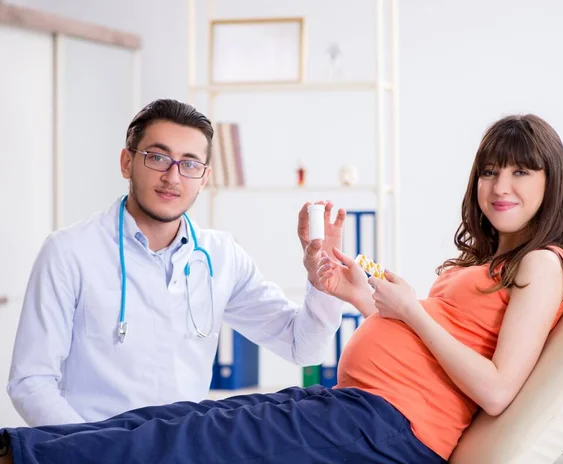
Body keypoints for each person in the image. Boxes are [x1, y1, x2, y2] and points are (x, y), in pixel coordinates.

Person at [0, 114, 563, 464]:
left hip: (388, 427)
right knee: (177, 419)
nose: (500, 186)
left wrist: (410, 309)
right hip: (356, 406)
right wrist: (353, 295)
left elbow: (494, 391)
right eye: (491, 170)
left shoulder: (542, 263)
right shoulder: (494, 261)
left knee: (195, 441)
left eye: (521, 171)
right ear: (128, 161)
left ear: (552, 181)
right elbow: (427, 339)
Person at [6, 99, 347, 427]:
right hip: (90, 451)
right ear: (127, 162)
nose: (173, 177)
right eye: (157, 157)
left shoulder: (222, 256)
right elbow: (31, 381)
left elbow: (302, 347)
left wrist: (323, 281)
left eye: (189, 164)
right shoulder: (69, 251)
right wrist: (90, 448)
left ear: (204, 176)